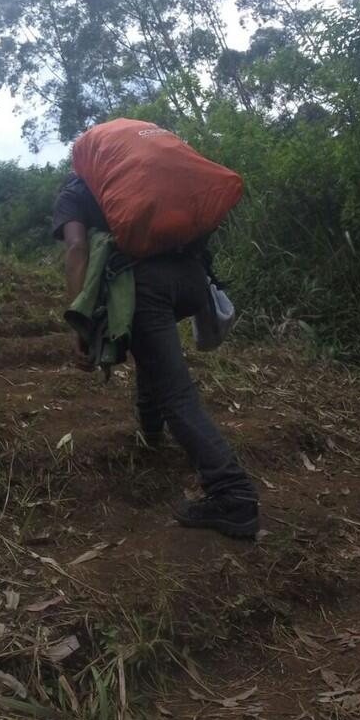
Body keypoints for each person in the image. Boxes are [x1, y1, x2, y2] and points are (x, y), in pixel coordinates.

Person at [53, 174, 259, 538]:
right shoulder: (134, 176)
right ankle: (151, 431)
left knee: (175, 392)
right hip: (193, 279)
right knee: (151, 350)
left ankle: (234, 494)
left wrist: (79, 322)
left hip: (145, 285)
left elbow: (76, 249)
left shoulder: (74, 192)